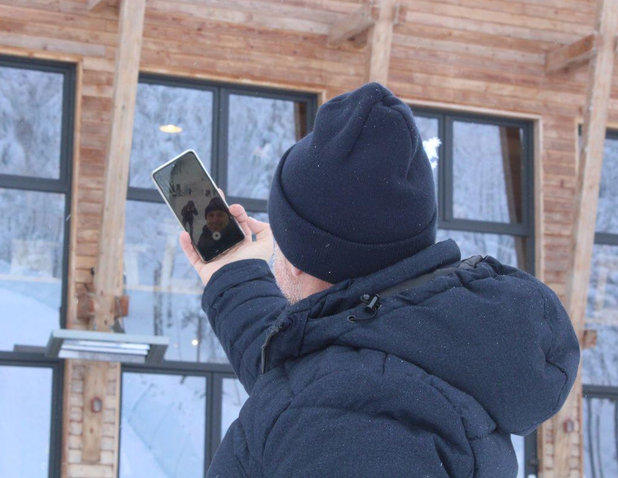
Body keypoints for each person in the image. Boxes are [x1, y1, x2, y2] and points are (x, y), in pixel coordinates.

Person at [179, 82, 580, 477]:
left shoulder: (348, 423)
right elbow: (312, 376)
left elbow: (320, 402)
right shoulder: (416, 356)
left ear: (301, 258)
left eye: (281, 239)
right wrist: (233, 274)